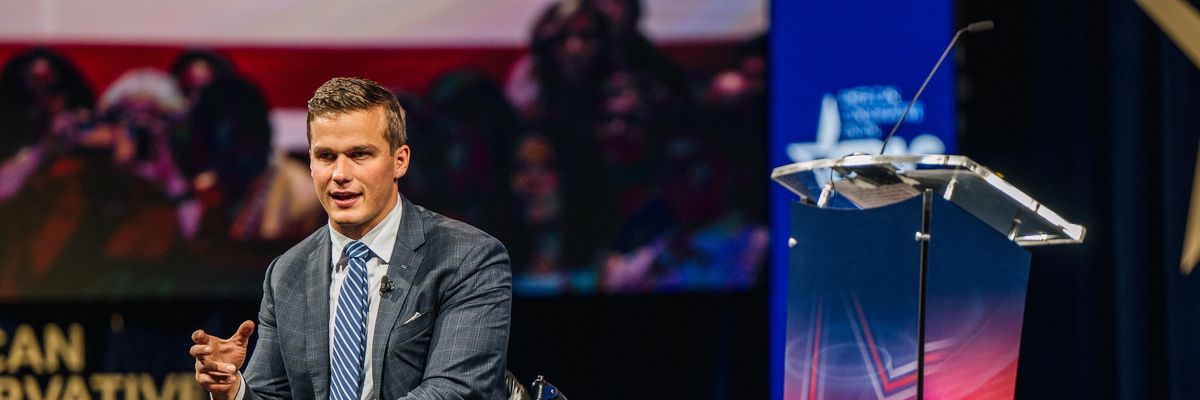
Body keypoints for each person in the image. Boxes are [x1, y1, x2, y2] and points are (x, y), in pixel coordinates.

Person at [189, 77, 513, 399]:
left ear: (399, 161)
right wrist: (233, 390)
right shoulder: (287, 272)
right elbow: (269, 395)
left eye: (359, 154)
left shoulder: (468, 258)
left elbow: (458, 390)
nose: (340, 174)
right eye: (326, 156)